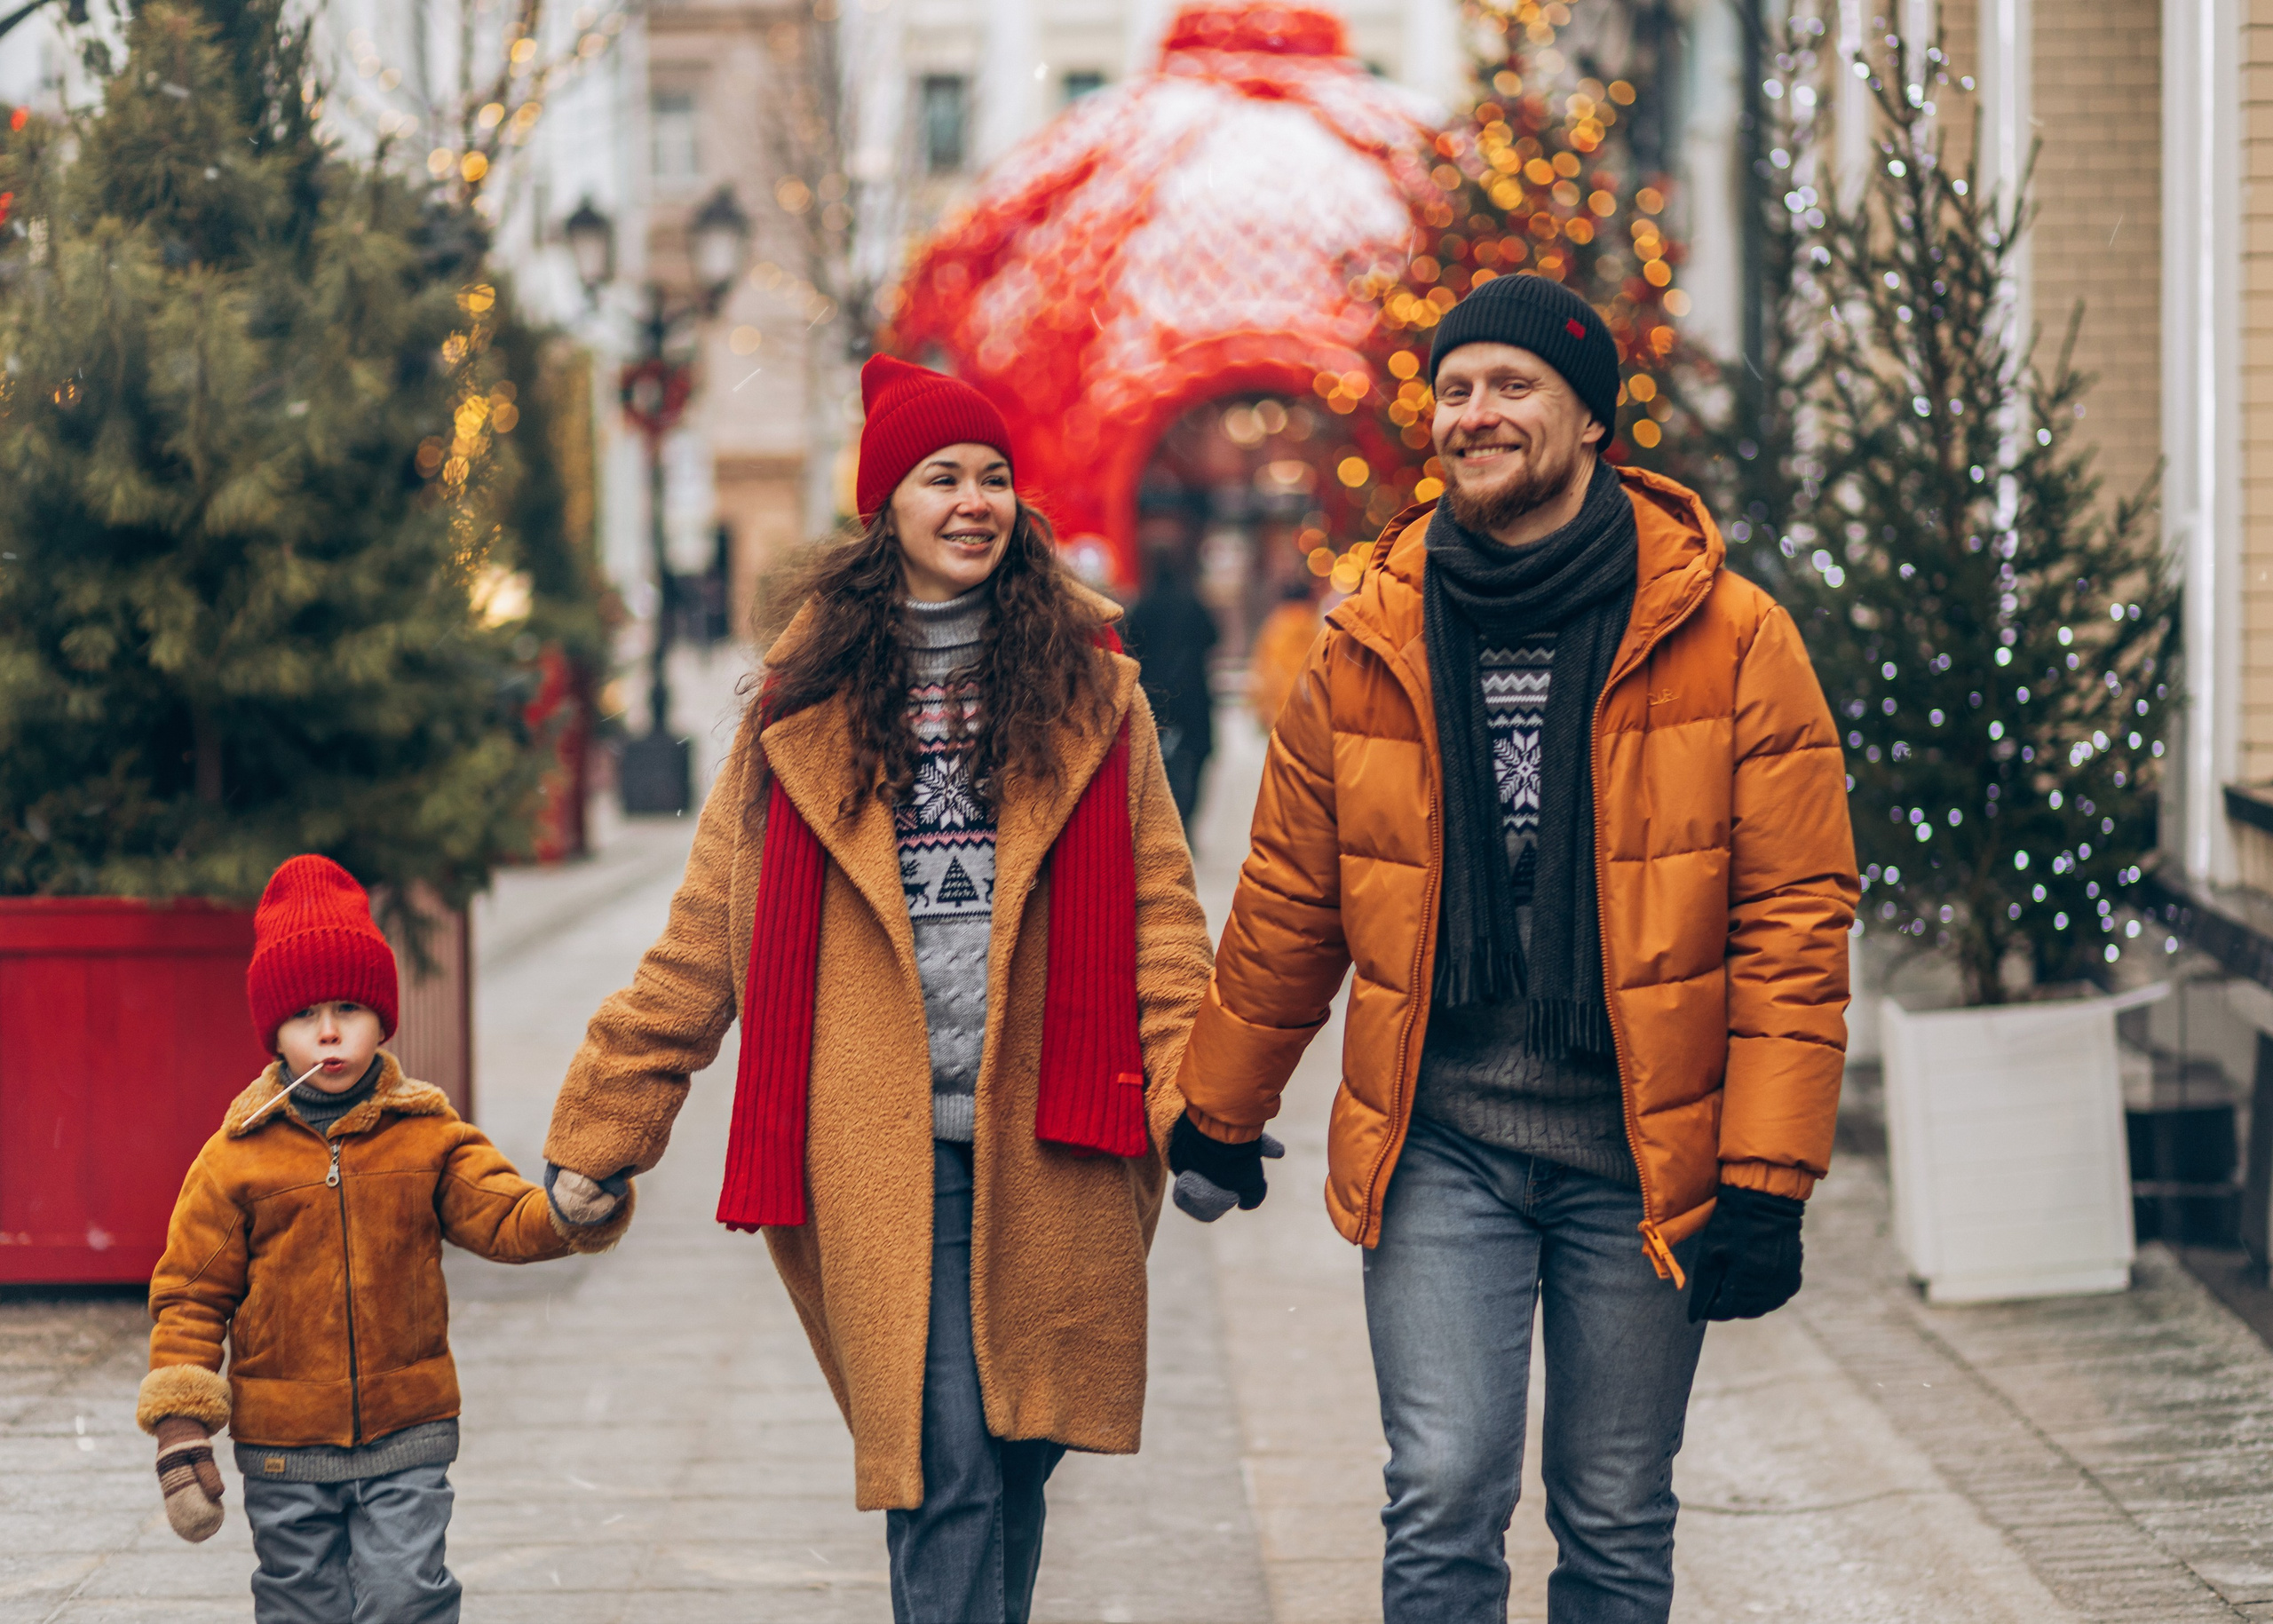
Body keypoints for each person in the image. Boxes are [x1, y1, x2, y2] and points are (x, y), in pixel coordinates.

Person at [1166, 273, 1857, 1623]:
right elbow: (1296, 897)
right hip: (1443, 1142)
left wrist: (1767, 1176)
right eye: (1459, 388)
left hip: (1640, 1152)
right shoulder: (1367, 635)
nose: (1476, 414)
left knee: (1612, 1512)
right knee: (1440, 1489)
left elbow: (1792, 916)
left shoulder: (1734, 637)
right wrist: (1218, 1109)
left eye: (1514, 386)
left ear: (1592, 419)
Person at [542, 354, 1213, 1624]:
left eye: (995, 476)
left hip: (1053, 1137)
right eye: (940, 477)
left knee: (1015, 1456)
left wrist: (1201, 1108)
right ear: (884, 510)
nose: (975, 500)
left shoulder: (1093, 694)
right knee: (944, 1462)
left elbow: (1164, 930)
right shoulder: (802, 708)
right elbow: (704, 937)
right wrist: (605, 1126)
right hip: (877, 1149)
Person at [137, 855, 628, 1624]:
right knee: (302, 1605)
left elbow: (500, 1213)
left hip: (408, 1431)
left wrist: (569, 1210)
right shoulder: (236, 1157)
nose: (328, 1032)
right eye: (304, 1017)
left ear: (381, 1016)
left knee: (407, 1597)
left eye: (347, 1009)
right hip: (282, 1445)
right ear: (276, 1031)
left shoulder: (426, 1132)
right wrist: (181, 1427)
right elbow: (191, 1294)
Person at [1120, 543, 1220, 826]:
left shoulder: (1143, 606)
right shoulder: (1192, 604)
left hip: (1153, 694)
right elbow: (1213, 638)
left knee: (1155, 760)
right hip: (1193, 693)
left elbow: (1128, 645)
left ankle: (1164, 819)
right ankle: (1185, 819)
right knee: (1195, 754)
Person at [1247, 575, 1324, 732]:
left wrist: (1261, 707)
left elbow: (1264, 669)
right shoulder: (1315, 627)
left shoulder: (1274, 627)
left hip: (1280, 708)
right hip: (1309, 704)